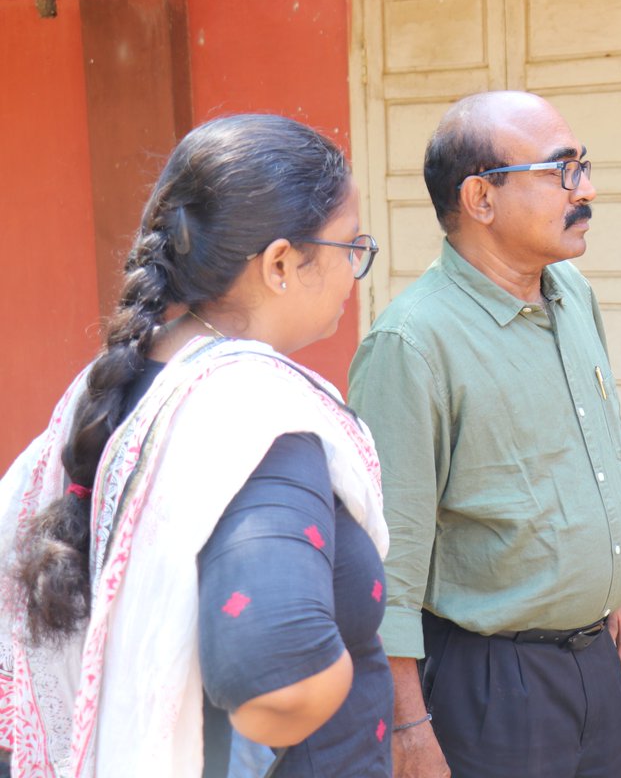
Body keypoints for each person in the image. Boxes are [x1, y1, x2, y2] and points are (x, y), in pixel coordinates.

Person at [0, 114, 393, 776]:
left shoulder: (120, 379)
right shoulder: (255, 416)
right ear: (279, 263)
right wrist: (353, 675)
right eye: (350, 247)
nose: (356, 271)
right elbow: (277, 683)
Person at [348, 90, 621, 778]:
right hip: (490, 684)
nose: (587, 188)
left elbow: (602, 454)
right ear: (481, 197)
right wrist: (407, 726)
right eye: (562, 170)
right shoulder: (412, 344)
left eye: (584, 166)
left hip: (595, 663)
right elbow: (386, 561)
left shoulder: (575, 296)